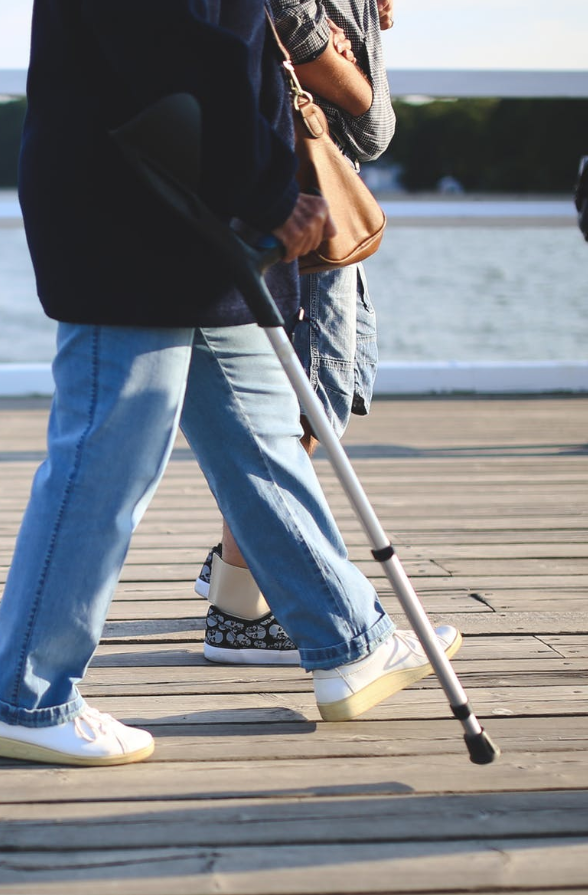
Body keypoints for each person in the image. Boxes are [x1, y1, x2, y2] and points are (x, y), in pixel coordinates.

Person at [0, 0, 460, 768]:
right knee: (106, 456)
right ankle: (23, 698)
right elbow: (178, 50)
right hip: (139, 215)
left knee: (260, 434)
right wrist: (265, 192)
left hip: (185, 212)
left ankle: (349, 642)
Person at [196, 0, 397, 665]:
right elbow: (289, 26)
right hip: (301, 173)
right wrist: (361, 89)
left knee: (320, 389)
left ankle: (240, 569)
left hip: (308, 170)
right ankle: (241, 604)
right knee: (306, 402)